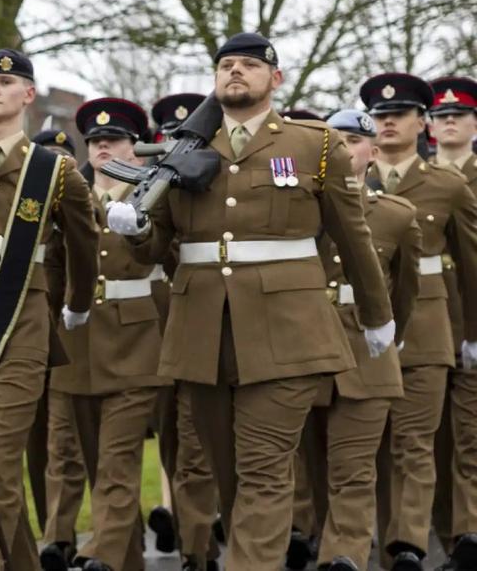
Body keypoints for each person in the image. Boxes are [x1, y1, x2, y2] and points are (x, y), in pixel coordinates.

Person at [106, 32, 395, 569]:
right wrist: (134, 227)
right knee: (229, 472)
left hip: (287, 331)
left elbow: (352, 237)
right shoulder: (185, 147)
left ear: (275, 79)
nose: (234, 72)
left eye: (248, 65)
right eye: (225, 65)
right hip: (202, 333)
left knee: (264, 468)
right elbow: (157, 245)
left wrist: (378, 316)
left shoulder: (315, 144)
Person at [0, 48, 100, 571]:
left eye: (6, 81)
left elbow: (83, 243)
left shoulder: (53, 170)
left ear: (28, 95)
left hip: (23, 320)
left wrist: (79, 304)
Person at [293, 109, 422, 571]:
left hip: (367, 360)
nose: (346, 149)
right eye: (337, 140)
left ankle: (342, 557)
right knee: (308, 470)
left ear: (372, 150)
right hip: (307, 353)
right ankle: (320, 540)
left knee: (352, 469)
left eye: (354, 140)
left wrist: (388, 341)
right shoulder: (299, 210)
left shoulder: (396, 215)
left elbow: (404, 295)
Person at [359, 72, 477, 571]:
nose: (387, 123)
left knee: (416, 441)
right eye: (380, 116)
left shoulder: (446, 185)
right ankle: (387, 547)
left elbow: (471, 264)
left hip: (428, 323)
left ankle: (407, 542)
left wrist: (473, 332)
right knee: (373, 448)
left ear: (420, 122)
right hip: (364, 327)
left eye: (399, 114)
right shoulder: (350, 182)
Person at [46, 98, 171, 571]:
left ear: (137, 148)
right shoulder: (68, 197)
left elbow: (169, 255)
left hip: (136, 339)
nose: (103, 148)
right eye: (96, 142)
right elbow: (55, 266)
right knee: (91, 459)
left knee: (118, 461)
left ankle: (98, 554)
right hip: (78, 341)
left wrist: (139, 229)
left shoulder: (157, 198)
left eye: (115, 140)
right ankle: (126, 555)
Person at [147, 92, 222, 571]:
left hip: (207, 321)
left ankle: (199, 545)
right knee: (171, 440)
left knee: (198, 442)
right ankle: (186, 522)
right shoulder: (161, 186)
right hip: (158, 327)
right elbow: (151, 246)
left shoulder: (217, 180)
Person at [32, 129, 91, 570]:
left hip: (87, 338)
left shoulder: (76, 199)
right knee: (54, 448)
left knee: (96, 449)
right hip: (42, 338)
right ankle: (55, 534)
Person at [426, 76, 477, 571]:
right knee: (433, 443)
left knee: (471, 438)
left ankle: (469, 535)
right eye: (441, 116)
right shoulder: (417, 177)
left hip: (473, 316)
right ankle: (450, 537)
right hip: (430, 321)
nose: (448, 123)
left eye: (458, 116)